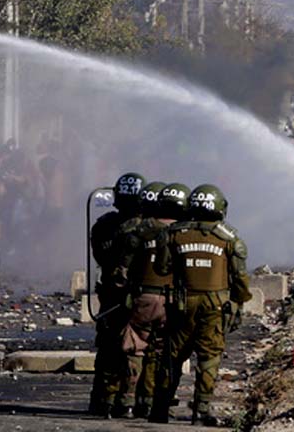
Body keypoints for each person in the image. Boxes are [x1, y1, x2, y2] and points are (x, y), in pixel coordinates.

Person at [151, 184, 251, 426]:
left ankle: (160, 408)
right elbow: (239, 279)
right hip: (215, 305)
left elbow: (161, 268)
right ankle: (201, 410)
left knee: (172, 356)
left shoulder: (174, 233)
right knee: (209, 356)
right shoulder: (229, 237)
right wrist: (238, 303)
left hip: (181, 303)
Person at [117, 182, 178, 419]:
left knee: (135, 348)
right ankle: (151, 400)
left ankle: (126, 401)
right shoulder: (181, 233)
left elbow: (121, 271)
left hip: (142, 298)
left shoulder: (138, 231)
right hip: (172, 300)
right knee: (161, 351)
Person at [89, 172, 145, 418]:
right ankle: (131, 402)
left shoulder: (104, 225)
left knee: (109, 347)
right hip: (140, 295)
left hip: (111, 294)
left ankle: (103, 400)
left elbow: (99, 257)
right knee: (136, 347)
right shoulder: (147, 227)